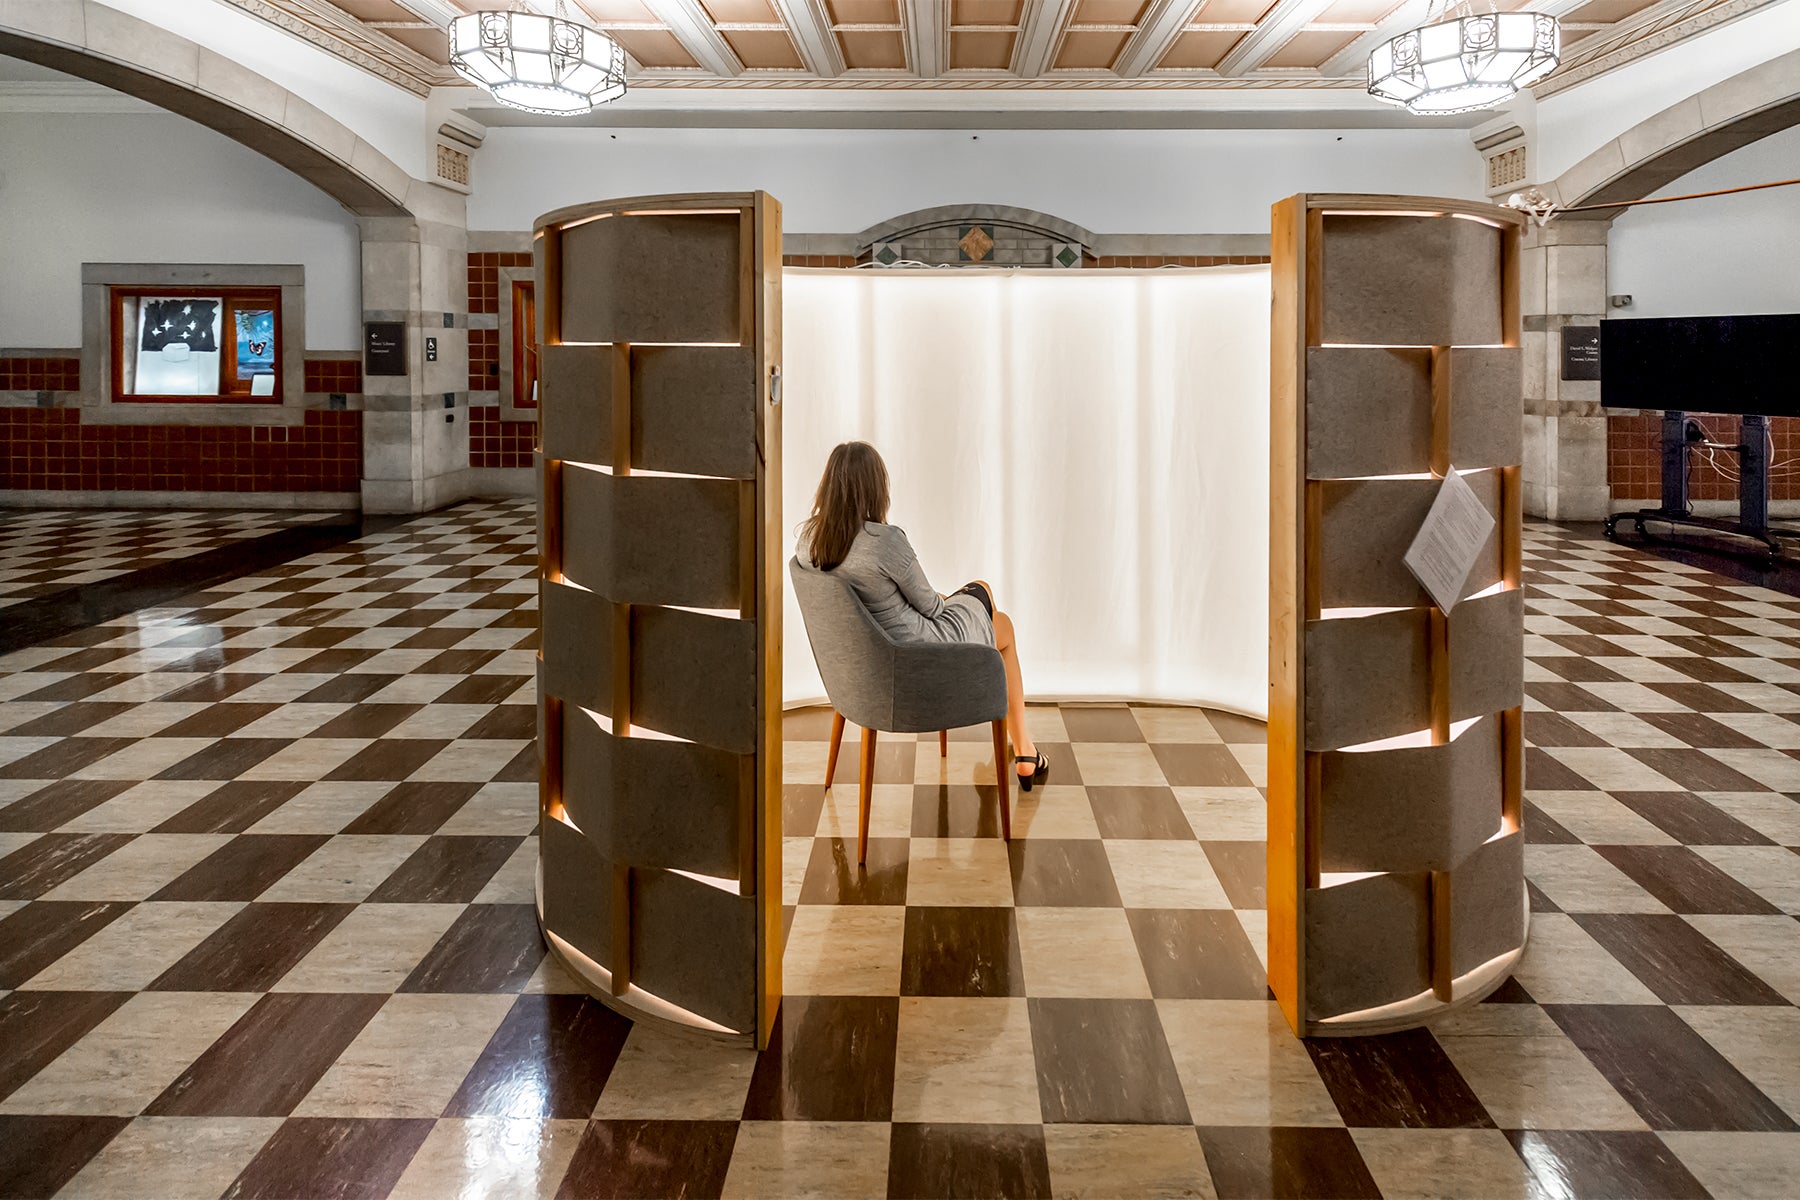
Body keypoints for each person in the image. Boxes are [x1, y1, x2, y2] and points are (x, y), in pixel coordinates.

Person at [798, 441, 1049, 789]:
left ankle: (1023, 751)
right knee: (997, 615)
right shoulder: (884, 542)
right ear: (876, 488)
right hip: (919, 654)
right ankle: (1024, 751)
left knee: (978, 594)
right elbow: (931, 607)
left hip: (865, 669)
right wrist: (947, 599)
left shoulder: (810, 541)